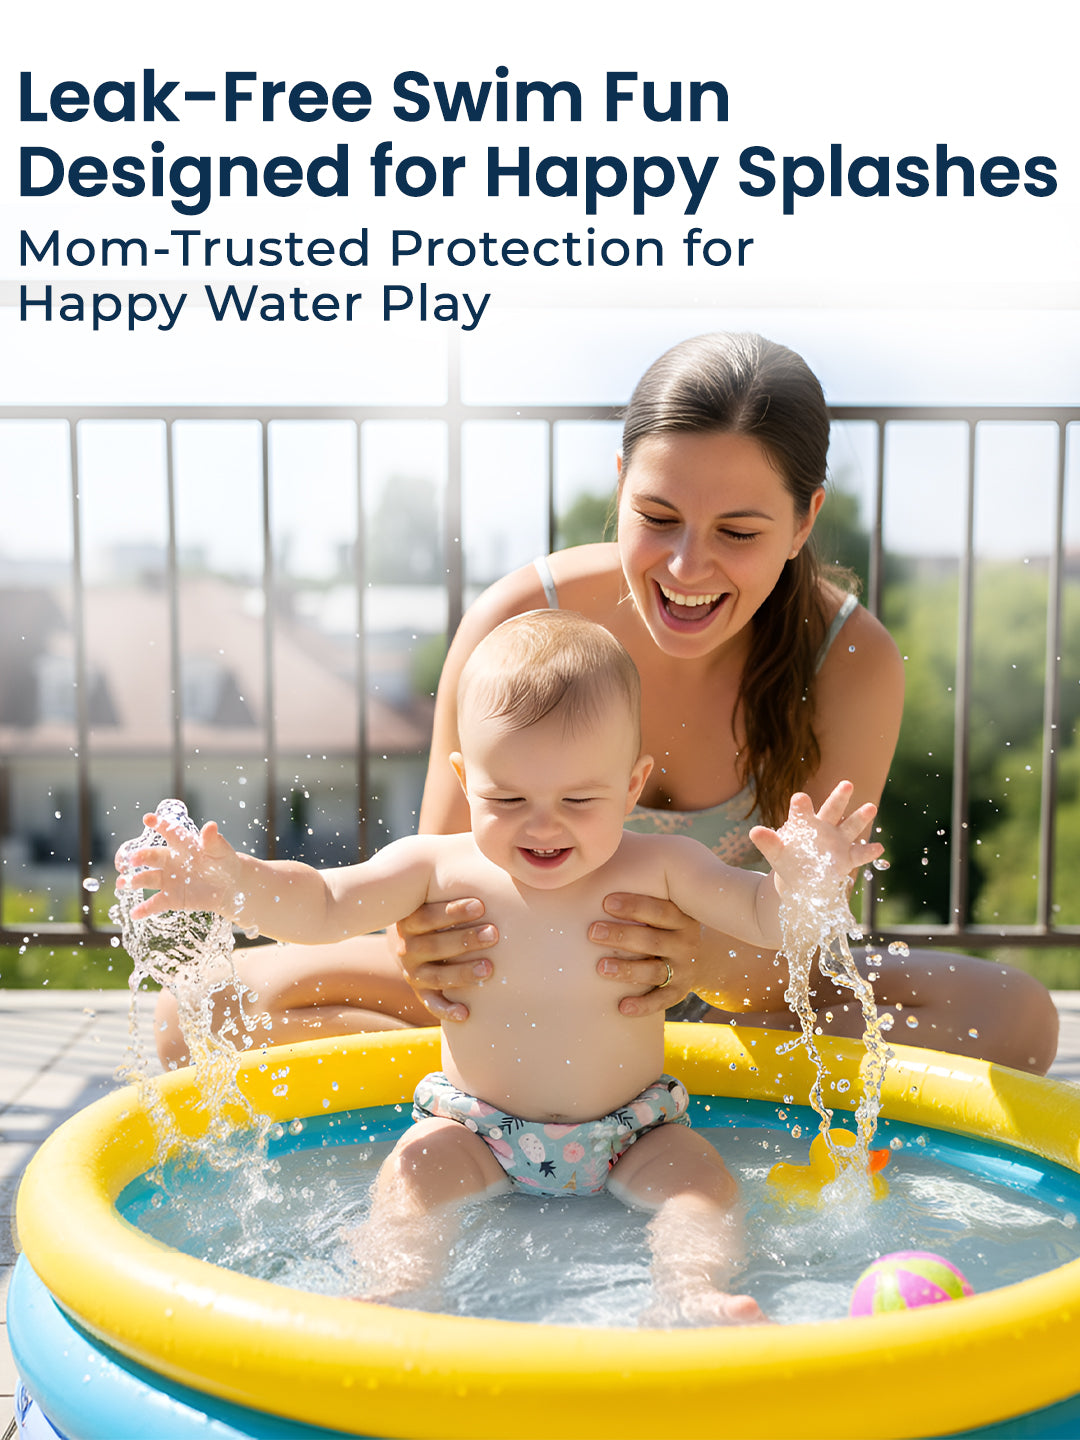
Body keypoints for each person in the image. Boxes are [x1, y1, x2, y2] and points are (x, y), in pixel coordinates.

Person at [153, 331, 1059, 1075]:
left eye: (739, 532)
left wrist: (692, 960)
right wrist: (439, 959)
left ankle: (642, 1086)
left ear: (805, 520)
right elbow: (428, 902)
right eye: (657, 516)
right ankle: (545, 1089)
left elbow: (798, 946)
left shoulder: (850, 660)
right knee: (192, 1016)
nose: (686, 567)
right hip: (514, 975)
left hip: (737, 990)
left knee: (1014, 1019)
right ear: (620, 481)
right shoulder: (520, 620)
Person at [122, 611, 882, 1323]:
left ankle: (690, 1292)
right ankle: (394, 1291)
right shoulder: (435, 866)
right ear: (464, 775)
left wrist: (808, 885)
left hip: (635, 1128)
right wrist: (237, 885)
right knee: (409, 1184)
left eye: (580, 798)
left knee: (703, 1189)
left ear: (631, 784)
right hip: (474, 1127)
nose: (542, 823)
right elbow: (323, 901)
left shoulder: (664, 865)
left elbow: (766, 921)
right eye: (507, 795)